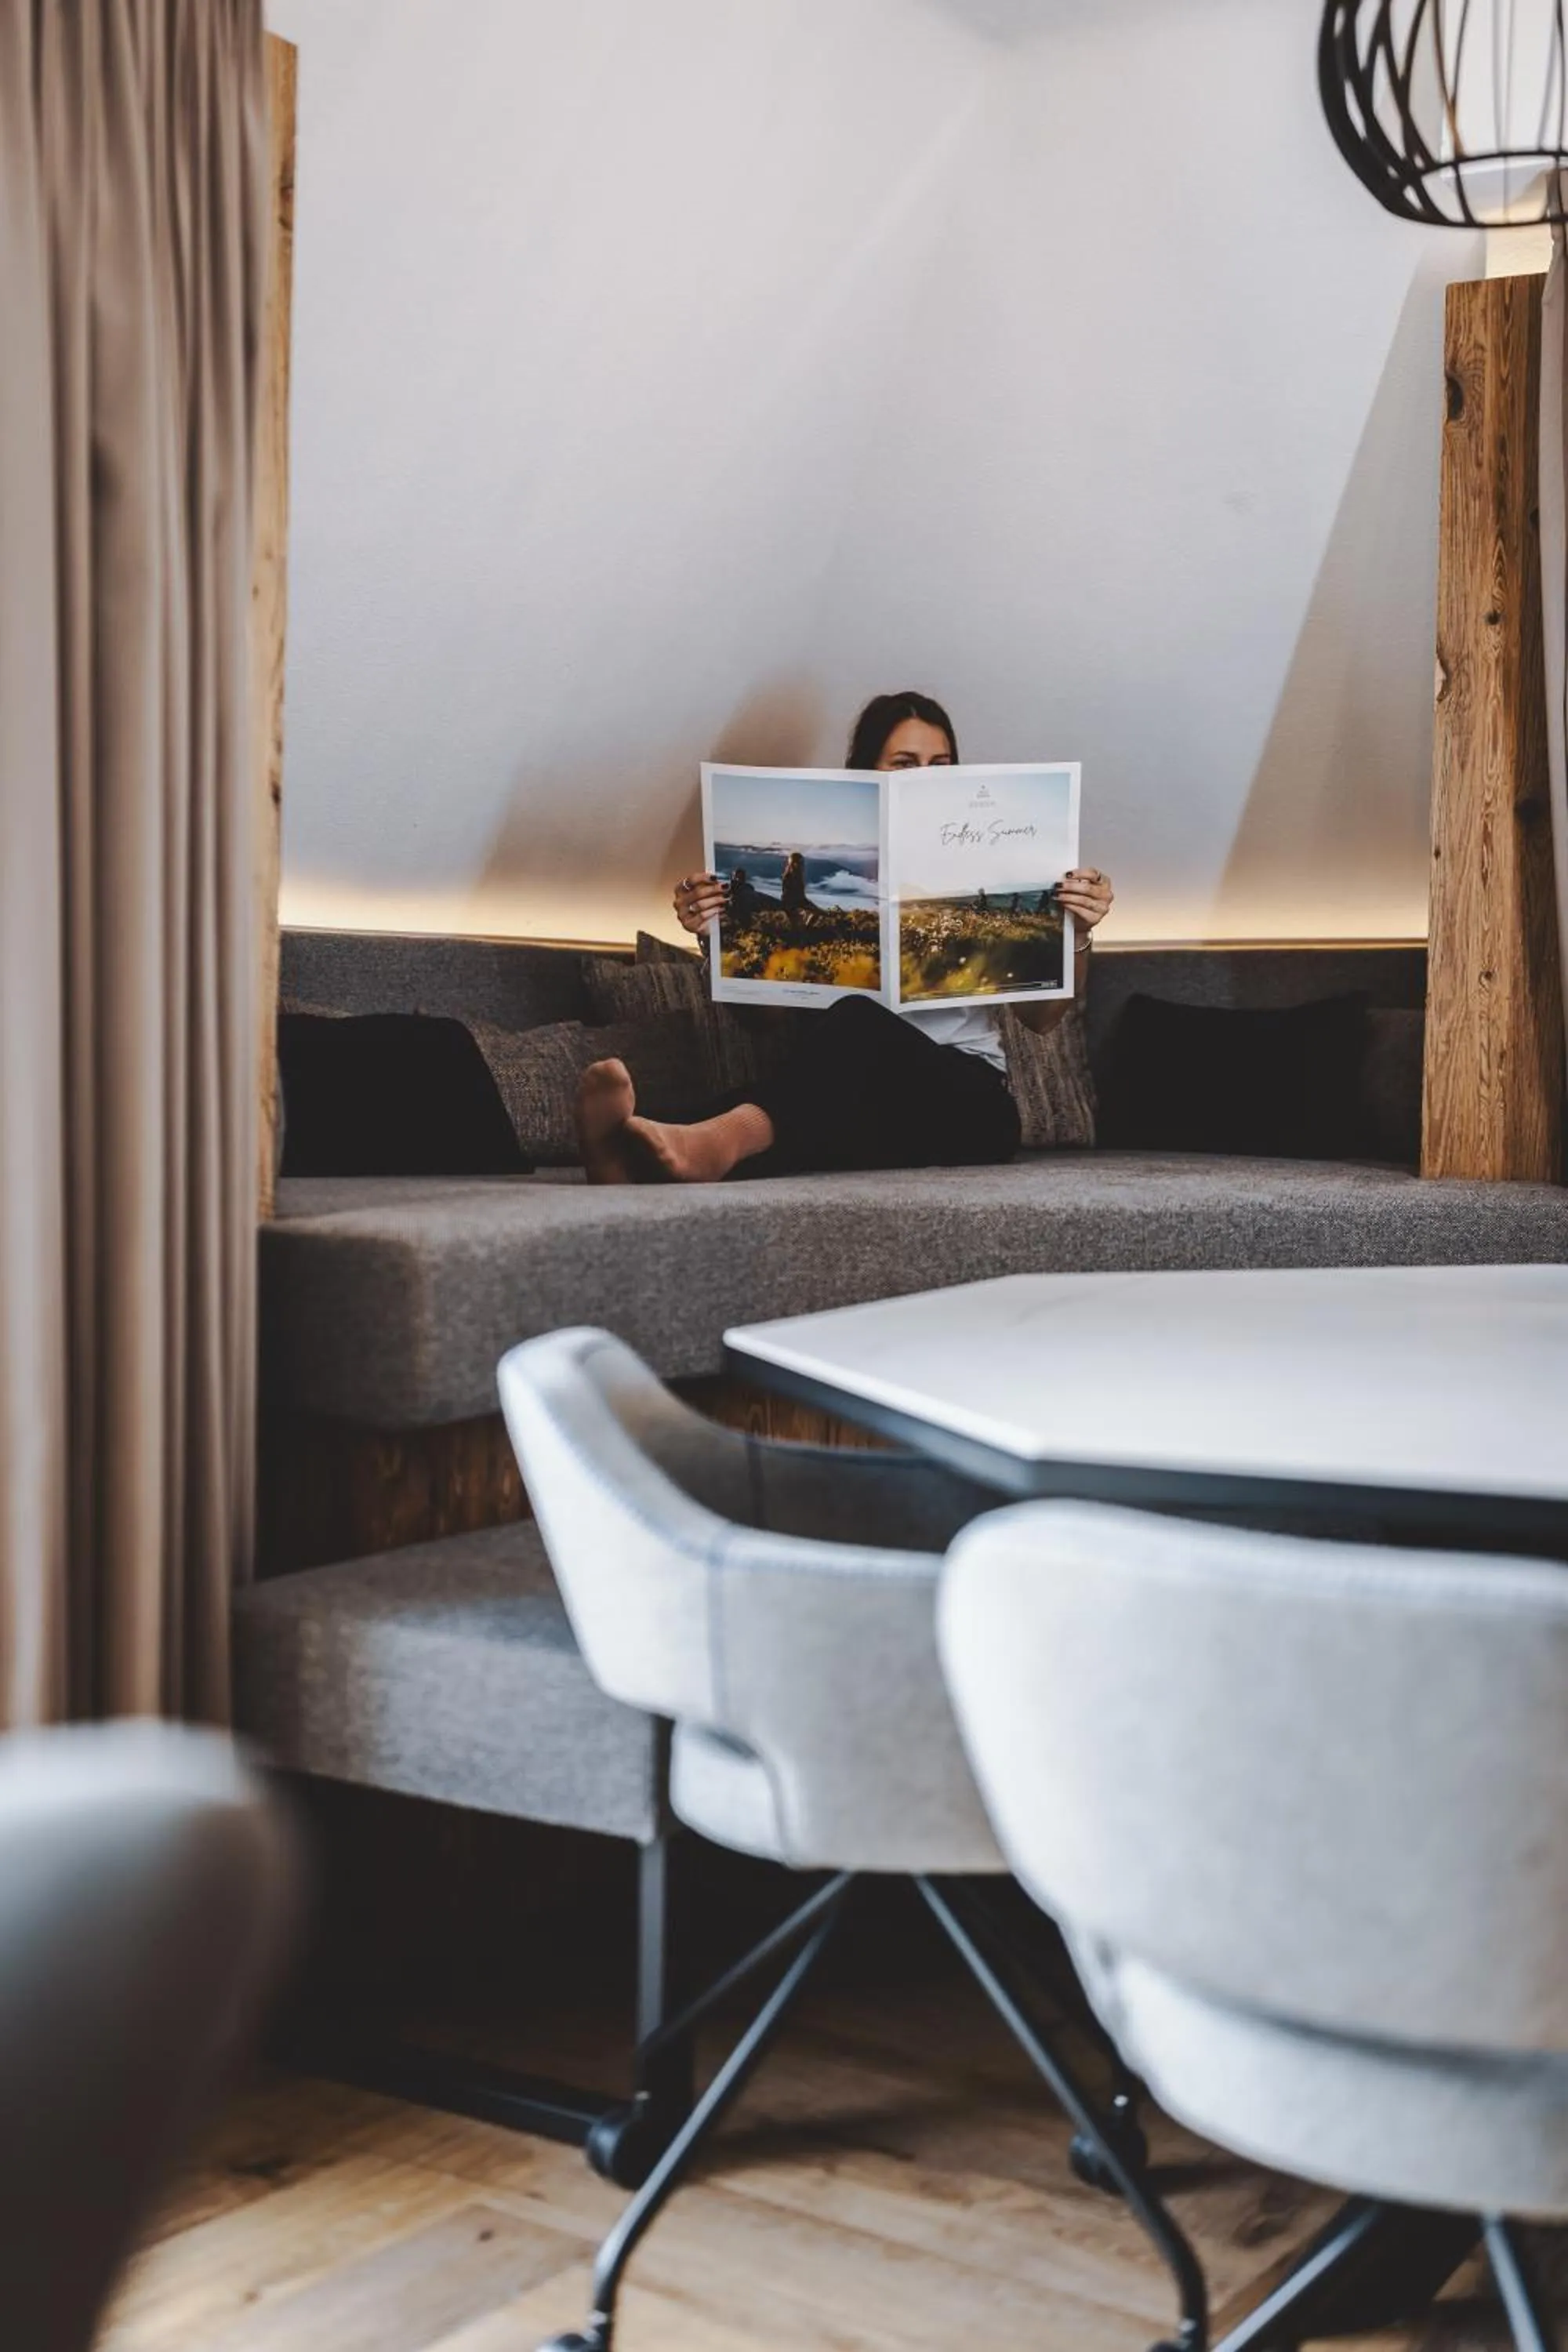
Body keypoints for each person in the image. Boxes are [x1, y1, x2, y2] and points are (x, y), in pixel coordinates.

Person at [575, 690, 1115, 1182]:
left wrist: (1078, 933)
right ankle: (631, 1153)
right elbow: (762, 1022)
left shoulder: (994, 863)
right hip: (854, 1098)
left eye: (939, 765)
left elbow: (1042, 1021)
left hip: (967, 1101)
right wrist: (719, 934)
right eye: (904, 764)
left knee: (852, 1023)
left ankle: (704, 1142)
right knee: (803, 1109)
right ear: (864, 773)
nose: (923, 777)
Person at [778, 851, 817, 920]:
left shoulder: (798, 875)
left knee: (816, 912)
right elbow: (787, 894)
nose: (802, 865)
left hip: (799, 901)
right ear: (794, 864)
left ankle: (807, 928)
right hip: (791, 903)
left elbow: (801, 894)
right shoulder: (789, 877)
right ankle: (805, 929)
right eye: (800, 863)